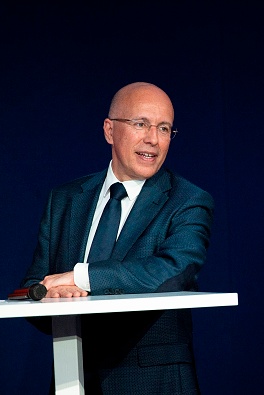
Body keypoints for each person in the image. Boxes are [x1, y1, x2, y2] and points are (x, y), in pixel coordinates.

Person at [20, 82, 214, 394]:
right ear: (110, 131)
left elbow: (174, 273)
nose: (153, 138)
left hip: (153, 384)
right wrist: (49, 296)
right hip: (73, 379)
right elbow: (36, 283)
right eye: (141, 124)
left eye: (164, 128)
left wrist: (82, 278)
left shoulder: (188, 200)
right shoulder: (66, 199)